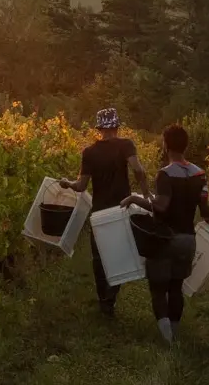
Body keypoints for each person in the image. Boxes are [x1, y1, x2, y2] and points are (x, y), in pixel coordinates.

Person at [121, 124, 209, 344]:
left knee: (158, 287)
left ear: (165, 145)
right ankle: (175, 333)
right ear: (186, 145)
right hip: (187, 240)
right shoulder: (200, 174)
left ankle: (168, 339)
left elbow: (162, 207)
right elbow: (206, 211)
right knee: (176, 287)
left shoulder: (165, 174)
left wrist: (135, 199)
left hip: (165, 239)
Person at [59, 107, 149, 317]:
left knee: (99, 257)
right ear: (117, 126)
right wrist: (146, 196)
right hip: (122, 208)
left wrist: (66, 183)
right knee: (118, 254)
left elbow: (81, 186)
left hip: (99, 212)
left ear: (99, 128)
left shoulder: (89, 152)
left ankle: (103, 300)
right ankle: (111, 297)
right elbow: (138, 170)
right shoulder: (126, 145)